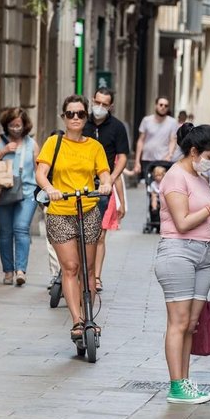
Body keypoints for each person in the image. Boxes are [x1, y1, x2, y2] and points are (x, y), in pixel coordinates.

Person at [154, 124, 210, 404]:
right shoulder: (175, 177)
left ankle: (186, 382)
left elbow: (205, 221)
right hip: (179, 252)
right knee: (178, 322)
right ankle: (175, 385)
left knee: (191, 323)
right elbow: (181, 223)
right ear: (194, 151)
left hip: (204, 255)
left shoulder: (199, 178)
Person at [35, 95, 112, 341]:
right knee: (70, 267)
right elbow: (41, 172)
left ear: (86, 117)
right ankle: (78, 320)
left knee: (88, 269)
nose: (75, 118)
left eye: (80, 114)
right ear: (63, 117)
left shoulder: (94, 147)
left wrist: (106, 185)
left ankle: (90, 316)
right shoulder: (53, 143)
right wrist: (50, 189)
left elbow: (104, 173)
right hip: (60, 212)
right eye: (71, 114)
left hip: (87, 210)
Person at [0, 108, 40, 286]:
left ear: (25, 125)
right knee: (6, 232)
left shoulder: (32, 144)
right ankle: (8, 271)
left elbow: (39, 169)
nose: (15, 128)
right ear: (6, 125)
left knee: (21, 228)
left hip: (27, 191)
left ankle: (20, 271)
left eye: (18, 125)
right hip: (3, 191)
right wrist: (4, 151)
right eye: (11, 125)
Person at [83, 87, 129, 293]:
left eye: (104, 104)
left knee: (99, 235)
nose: (99, 107)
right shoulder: (82, 122)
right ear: (92, 100)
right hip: (80, 184)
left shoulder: (117, 127)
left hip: (103, 187)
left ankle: (97, 276)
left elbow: (123, 157)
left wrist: (111, 179)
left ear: (111, 106)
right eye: (97, 102)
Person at [133, 96, 178, 178]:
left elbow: (173, 140)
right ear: (156, 105)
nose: (163, 107)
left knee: (162, 187)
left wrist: (170, 155)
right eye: (161, 105)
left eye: (166, 105)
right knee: (149, 186)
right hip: (147, 159)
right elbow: (141, 140)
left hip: (164, 160)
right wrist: (137, 161)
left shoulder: (172, 122)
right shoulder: (146, 120)